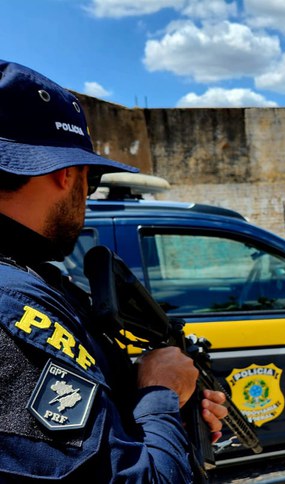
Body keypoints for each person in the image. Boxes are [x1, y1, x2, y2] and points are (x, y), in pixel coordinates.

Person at [0, 60, 227, 481]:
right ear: (68, 175)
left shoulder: (29, 275)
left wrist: (168, 412)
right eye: (92, 181)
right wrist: (160, 393)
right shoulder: (13, 307)